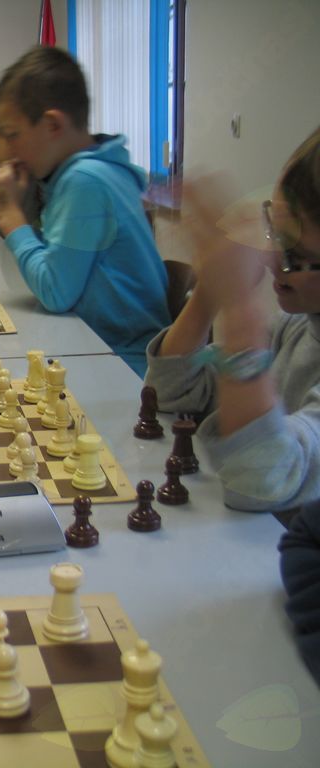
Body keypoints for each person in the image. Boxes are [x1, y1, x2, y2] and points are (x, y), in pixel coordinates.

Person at [141, 126, 320, 681]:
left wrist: (241, 311)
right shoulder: (300, 327)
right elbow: (170, 395)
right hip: (251, 579)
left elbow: (263, 480)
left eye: (297, 255)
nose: (273, 263)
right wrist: (210, 295)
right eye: (275, 236)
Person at [0, 47, 168, 376]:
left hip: (124, 366)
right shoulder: (84, 172)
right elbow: (52, 269)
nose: (7, 149)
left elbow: (55, 292)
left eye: (13, 135)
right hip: (93, 345)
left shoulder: (84, 181)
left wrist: (9, 215)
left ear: (52, 125)